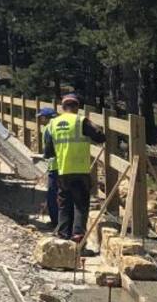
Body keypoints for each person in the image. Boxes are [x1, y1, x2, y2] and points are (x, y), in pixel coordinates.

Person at [43, 94, 106, 242]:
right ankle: (77, 235)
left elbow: (48, 152)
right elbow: (100, 137)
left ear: (62, 108)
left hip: (62, 170)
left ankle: (63, 234)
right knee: (80, 204)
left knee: (64, 204)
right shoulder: (80, 121)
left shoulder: (53, 124)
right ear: (77, 107)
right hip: (80, 170)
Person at [37, 106, 59, 230]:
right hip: (67, 166)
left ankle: (55, 221)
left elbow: (48, 150)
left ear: (47, 117)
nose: (40, 120)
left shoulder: (48, 128)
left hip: (54, 166)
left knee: (52, 195)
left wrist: (43, 156)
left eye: (41, 117)